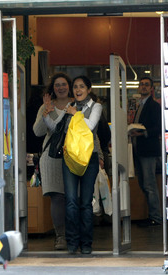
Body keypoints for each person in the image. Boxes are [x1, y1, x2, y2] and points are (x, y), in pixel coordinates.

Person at [33, 72, 73, 250]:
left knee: (74, 197)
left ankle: (75, 234)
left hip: (75, 156)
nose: (61, 87)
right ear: (53, 88)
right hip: (51, 157)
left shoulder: (77, 104)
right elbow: (37, 132)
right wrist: (45, 112)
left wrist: (100, 156)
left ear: (69, 86)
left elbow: (90, 132)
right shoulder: (46, 106)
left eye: (63, 84)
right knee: (57, 197)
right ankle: (60, 237)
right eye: (57, 85)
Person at [63, 76, 102, 254]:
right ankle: (72, 243)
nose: (77, 90)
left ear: (88, 89)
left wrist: (74, 114)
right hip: (69, 157)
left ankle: (86, 244)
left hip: (89, 158)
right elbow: (59, 128)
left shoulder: (96, 107)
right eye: (75, 87)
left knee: (86, 203)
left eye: (81, 87)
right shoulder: (69, 107)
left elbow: (90, 125)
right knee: (70, 201)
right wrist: (49, 114)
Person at [130, 76, 162, 227]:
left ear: (151, 89)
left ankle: (156, 217)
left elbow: (158, 127)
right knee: (143, 183)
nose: (143, 87)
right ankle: (152, 215)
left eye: (146, 85)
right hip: (139, 150)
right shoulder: (140, 105)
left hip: (148, 150)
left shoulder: (154, 106)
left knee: (149, 184)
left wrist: (143, 133)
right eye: (141, 84)